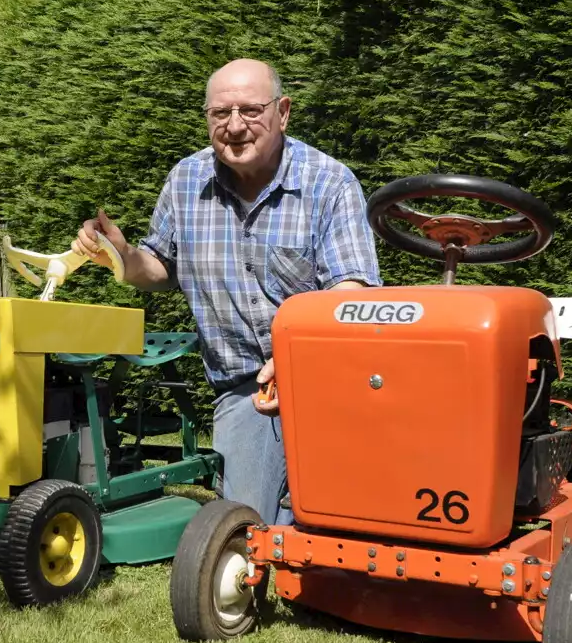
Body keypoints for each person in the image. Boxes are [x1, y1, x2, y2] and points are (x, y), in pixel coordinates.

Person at [71, 58, 381, 525]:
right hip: (244, 391)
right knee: (248, 531)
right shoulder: (186, 181)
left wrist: (296, 358)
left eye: (251, 111)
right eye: (220, 114)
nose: (235, 126)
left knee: (341, 520)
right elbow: (161, 269)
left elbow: (353, 292)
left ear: (283, 112)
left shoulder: (329, 182)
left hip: (329, 382)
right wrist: (122, 257)